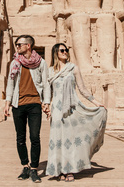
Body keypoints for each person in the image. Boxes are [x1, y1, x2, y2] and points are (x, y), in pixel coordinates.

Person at [46, 43, 107, 182]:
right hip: (56, 108)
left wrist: (96, 102)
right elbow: (48, 92)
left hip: (71, 107)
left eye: (66, 50)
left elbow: (82, 89)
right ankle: (58, 169)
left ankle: (69, 169)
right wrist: (46, 106)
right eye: (62, 50)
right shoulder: (50, 71)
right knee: (57, 139)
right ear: (56, 52)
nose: (65, 52)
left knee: (70, 139)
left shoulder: (73, 68)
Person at [4, 35, 51, 183]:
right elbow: (10, 83)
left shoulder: (40, 62)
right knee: (20, 138)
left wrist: (47, 102)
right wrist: (7, 102)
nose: (17, 47)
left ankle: (34, 169)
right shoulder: (15, 62)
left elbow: (46, 83)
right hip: (18, 104)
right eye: (16, 45)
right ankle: (25, 165)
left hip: (34, 103)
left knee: (35, 137)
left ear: (28, 46)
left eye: (19, 44)